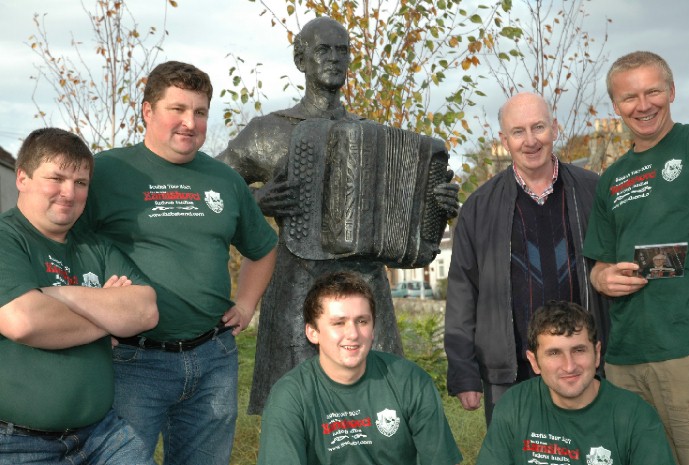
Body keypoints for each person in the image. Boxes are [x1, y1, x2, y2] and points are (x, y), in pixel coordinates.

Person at [217, 16, 459, 414]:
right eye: (323, 50)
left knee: (378, 405)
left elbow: (408, 216)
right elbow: (211, 188)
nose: (334, 58)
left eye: (342, 51)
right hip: (296, 285)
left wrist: (437, 205)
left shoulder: (376, 137)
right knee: (296, 409)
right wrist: (256, 200)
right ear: (301, 60)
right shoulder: (267, 132)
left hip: (366, 287)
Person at [81, 61, 278, 465]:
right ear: (147, 111)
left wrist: (245, 305)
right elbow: (67, 246)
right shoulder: (106, 172)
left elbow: (263, 248)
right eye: (178, 109)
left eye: (200, 112)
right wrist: (90, 318)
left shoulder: (225, 180)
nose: (190, 122)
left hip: (213, 360)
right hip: (132, 360)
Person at [444, 92, 609, 426]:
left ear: (555, 129)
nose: (530, 141)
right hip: (510, 374)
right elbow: (462, 292)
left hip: (585, 368)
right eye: (518, 132)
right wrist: (463, 370)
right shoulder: (479, 207)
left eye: (539, 127)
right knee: (515, 450)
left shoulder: (594, 192)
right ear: (504, 140)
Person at [0, 128, 159, 465]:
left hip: (103, 435)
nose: (69, 193)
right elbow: (23, 321)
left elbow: (145, 311)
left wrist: (54, 295)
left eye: (81, 182)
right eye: (56, 178)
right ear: (23, 178)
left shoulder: (95, 246)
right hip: (17, 444)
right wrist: (109, 316)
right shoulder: (7, 238)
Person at [583, 50, 689, 465]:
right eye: (629, 97)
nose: (643, 105)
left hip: (687, 352)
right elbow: (598, 263)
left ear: (672, 92)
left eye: (653, 92)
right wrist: (602, 278)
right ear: (616, 106)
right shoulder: (611, 178)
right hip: (624, 359)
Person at [257, 271, 463, 465]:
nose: (353, 334)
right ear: (313, 332)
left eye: (362, 321)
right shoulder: (289, 397)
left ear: (373, 328)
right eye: (339, 323)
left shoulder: (411, 382)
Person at [476, 300, 675, 465]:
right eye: (554, 353)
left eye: (579, 350)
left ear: (597, 353)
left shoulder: (636, 416)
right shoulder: (514, 405)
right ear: (534, 362)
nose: (569, 366)